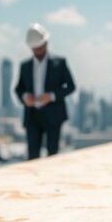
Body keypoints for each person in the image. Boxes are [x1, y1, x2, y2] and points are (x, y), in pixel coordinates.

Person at [14, 23, 76, 160]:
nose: (38, 51)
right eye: (35, 48)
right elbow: (18, 89)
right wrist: (25, 97)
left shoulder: (60, 63)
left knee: (53, 156)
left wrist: (52, 96)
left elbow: (71, 86)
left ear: (46, 43)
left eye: (40, 47)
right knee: (32, 157)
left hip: (54, 115)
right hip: (32, 116)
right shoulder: (25, 66)